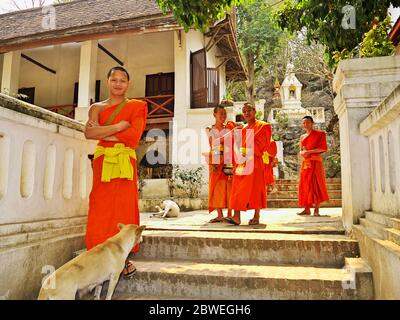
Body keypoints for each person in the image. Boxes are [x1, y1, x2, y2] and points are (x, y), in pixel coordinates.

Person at [84, 66, 147, 277]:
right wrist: (120, 126)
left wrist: (104, 132)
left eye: (122, 80)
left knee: (124, 208)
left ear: (128, 84)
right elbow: (89, 133)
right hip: (103, 161)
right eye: (114, 80)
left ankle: (124, 260)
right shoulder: (97, 108)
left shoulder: (137, 106)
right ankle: (97, 255)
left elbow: (134, 137)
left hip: (125, 161)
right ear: (108, 81)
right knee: (100, 206)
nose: (118, 83)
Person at [227, 102, 276, 226]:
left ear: (255, 111)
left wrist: (248, 150)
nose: (246, 113)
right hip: (242, 162)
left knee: (256, 188)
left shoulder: (264, 126)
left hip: (255, 161)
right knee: (237, 187)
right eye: (244, 111)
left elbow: (264, 144)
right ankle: (236, 216)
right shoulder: (242, 128)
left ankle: (256, 216)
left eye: (249, 110)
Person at [205, 106, 235, 223]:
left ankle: (229, 214)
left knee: (229, 187)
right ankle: (219, 215)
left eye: (224, 114)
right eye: (221, 113)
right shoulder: (209, 128)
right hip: (216, 158)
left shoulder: (229, 127)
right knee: (216, 187)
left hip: (228, 159)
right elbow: (214, 142)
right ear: (214, 114)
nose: (223, 116)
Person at [297, 116, 329, 217]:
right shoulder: (302, 137)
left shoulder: (320, 134)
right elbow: (301, 150)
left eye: (307, 122)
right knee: (305, 184)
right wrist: (303, 153)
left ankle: (316, 210)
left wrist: (309, 151)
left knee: (316, 184)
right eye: (304, 123)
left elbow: (323, 148)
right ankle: (306, 209)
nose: (305, 125)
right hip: (306, 163)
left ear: (312, 123)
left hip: (316, 162)